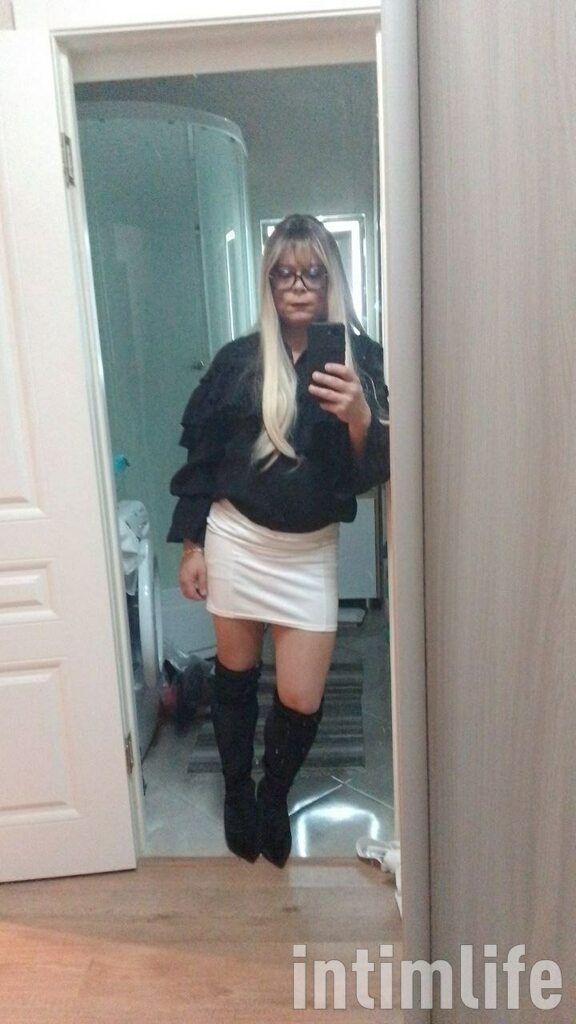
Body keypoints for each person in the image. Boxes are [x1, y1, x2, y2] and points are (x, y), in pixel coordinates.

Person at [167, 213, 390, 868]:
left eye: (313, 272)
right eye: (285, 273)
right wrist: (192, 546)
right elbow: (202, 461)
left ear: (331, 280)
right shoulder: (238, 362)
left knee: (300, 697)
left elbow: (371, 476)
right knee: (235, 678)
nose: (298, 285)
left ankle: (274, 791)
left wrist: (360, 416)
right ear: (269, 282)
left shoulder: (362, 359)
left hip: (308, 552)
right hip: (235, 538)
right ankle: (240, 792)